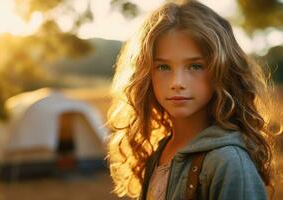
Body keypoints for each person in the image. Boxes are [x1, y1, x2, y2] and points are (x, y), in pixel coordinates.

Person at [106, 0, 281, 199]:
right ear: (146, 75)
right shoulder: (160, 151)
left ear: (222, 71)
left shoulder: (228, 162)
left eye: (195, 66)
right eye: (163, 67)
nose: (177, 82)